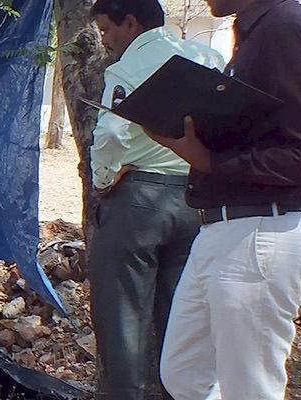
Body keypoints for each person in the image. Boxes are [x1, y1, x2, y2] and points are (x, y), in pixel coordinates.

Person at [143, 0, 301, 396]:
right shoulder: (258, 31)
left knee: (249, 389)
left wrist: (211, 160)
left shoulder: (287, 29)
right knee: (185, 375)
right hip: (226, 228)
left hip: (261, 232)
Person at [84, 0, 225, 397]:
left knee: (122, 324)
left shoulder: (127, 68)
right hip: (195, 204)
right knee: (181, 325)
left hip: (138, 201)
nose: (107, 41)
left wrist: (103, 180)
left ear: (131, 23)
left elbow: (111, 134)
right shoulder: (207, 57)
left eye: (107, 30)